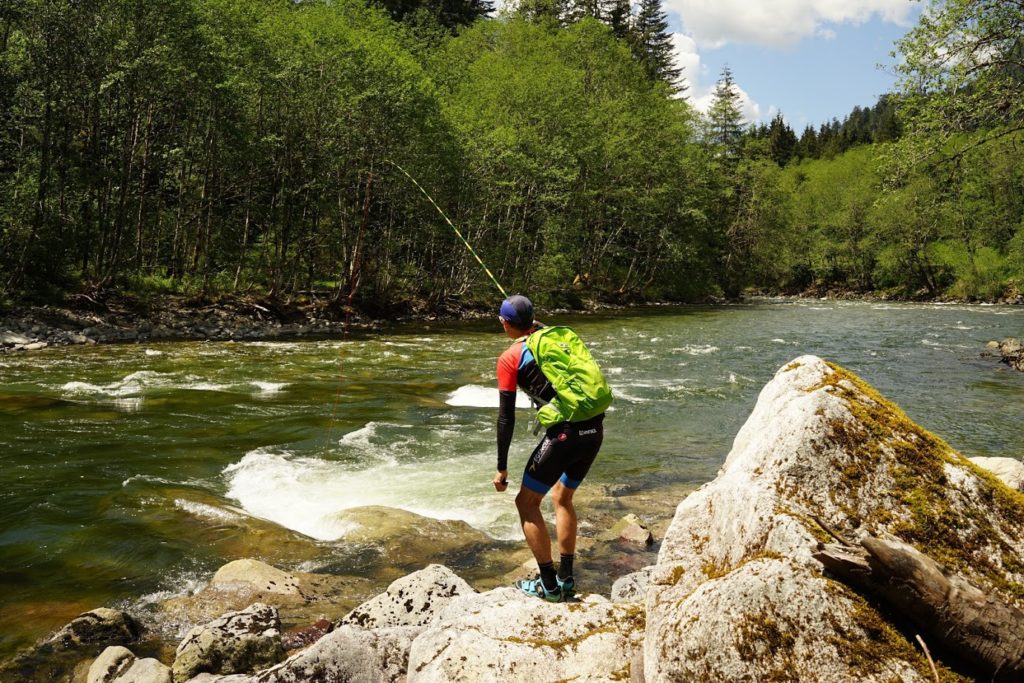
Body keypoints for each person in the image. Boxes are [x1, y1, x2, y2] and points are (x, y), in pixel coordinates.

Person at [492, 294, 606, 602]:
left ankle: (550, 587)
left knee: (526, 504)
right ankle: (566, 579)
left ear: (505, 324)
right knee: (562, 496)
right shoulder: (556, 339)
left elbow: (506, 418)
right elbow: (538, 328)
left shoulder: (509, 358)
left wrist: (502, 467)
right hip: (594, 427)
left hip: (564, 435)